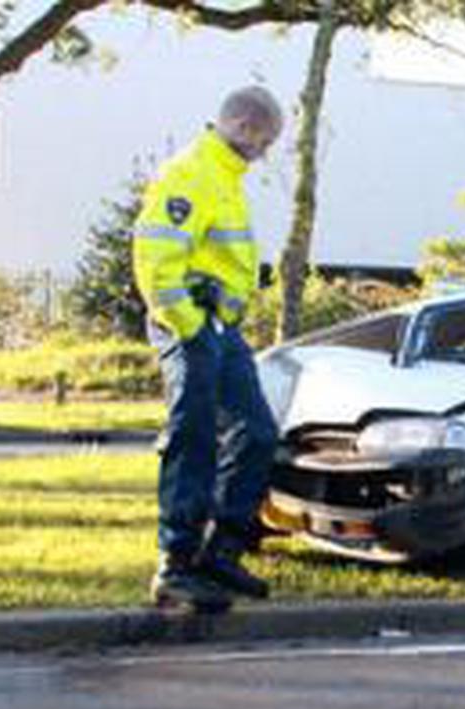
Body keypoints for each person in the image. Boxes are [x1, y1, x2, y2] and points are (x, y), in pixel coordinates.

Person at [131, 86, 285, 610]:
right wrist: (189, 324)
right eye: (264, 141)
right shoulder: (192, 173)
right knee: (192, 437)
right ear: (243, 125)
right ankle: (175, 565)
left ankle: (221, 552)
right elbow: (155, 259)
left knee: (258, 432)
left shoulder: (225, 176)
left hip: (217, 326)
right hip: (191, 325)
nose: (264, 152)